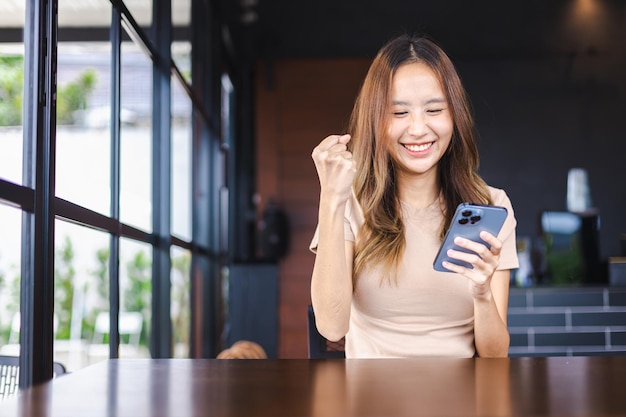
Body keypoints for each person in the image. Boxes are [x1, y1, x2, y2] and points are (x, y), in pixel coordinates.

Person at [309, 34, 519, 358]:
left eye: (434, 109)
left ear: (455, 115)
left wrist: (481, 293)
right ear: (375, 120)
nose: (419, 129)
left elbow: (495, 356)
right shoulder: (349, 201)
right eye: (399, 113)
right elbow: (331, 327)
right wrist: (331, 197)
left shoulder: (490, 205)